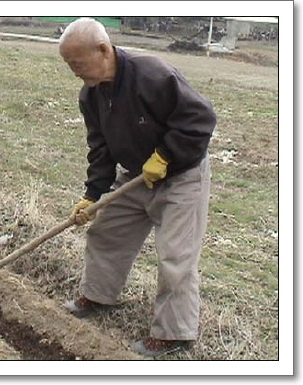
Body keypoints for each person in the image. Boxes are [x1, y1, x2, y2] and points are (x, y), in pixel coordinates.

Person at [58, 17, 216, 358]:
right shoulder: (91, 95)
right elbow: (100, 148)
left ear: (103, 50)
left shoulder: (152, 75)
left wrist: (165, 156)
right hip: (135, 177)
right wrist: (92, 193)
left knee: (176, 256)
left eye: (78, 63)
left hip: (181, 177)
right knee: (106, 232)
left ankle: (174, 334)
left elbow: (201, 118)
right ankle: (98, 295)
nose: (74, 71)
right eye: (69, 65)